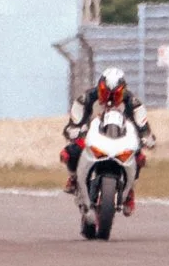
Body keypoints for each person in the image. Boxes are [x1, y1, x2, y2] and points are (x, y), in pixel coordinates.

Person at [61, 67, 155, 199]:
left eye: (115, 94)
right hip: (92, 137)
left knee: (139, 157)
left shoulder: (133, 102)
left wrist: (146, 136)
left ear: (123, 91)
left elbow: (142, 124)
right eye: (105, 93)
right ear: (99, 88)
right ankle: (74, 177)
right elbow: (76, 119)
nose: (110, 99)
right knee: (72, 151)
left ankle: (129, 188)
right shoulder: (86, 98)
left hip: (122, 140)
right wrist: (74, 128)